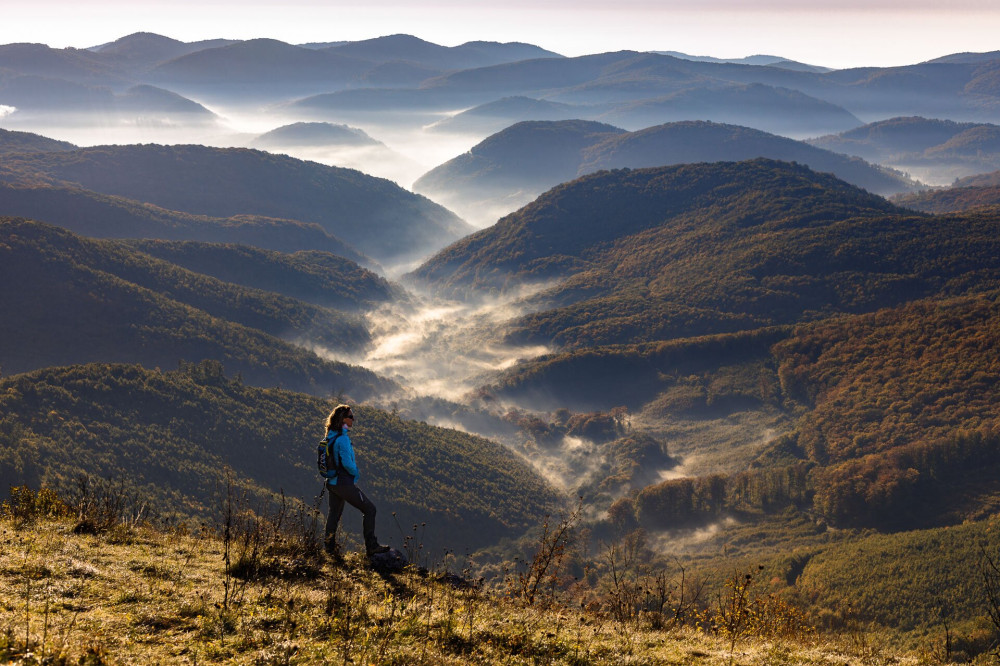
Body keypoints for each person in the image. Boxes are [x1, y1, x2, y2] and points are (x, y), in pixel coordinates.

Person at [323, 404, 390, 557]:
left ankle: (329, 548)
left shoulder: (330, 435)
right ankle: (371, 546)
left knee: (334, 514)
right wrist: (356, 473)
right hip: (343, 483)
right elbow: (347, 463)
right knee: (370, 509)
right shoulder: (342, 439)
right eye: (351, 417)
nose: (354, 419)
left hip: (332, 482)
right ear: (343, 420)